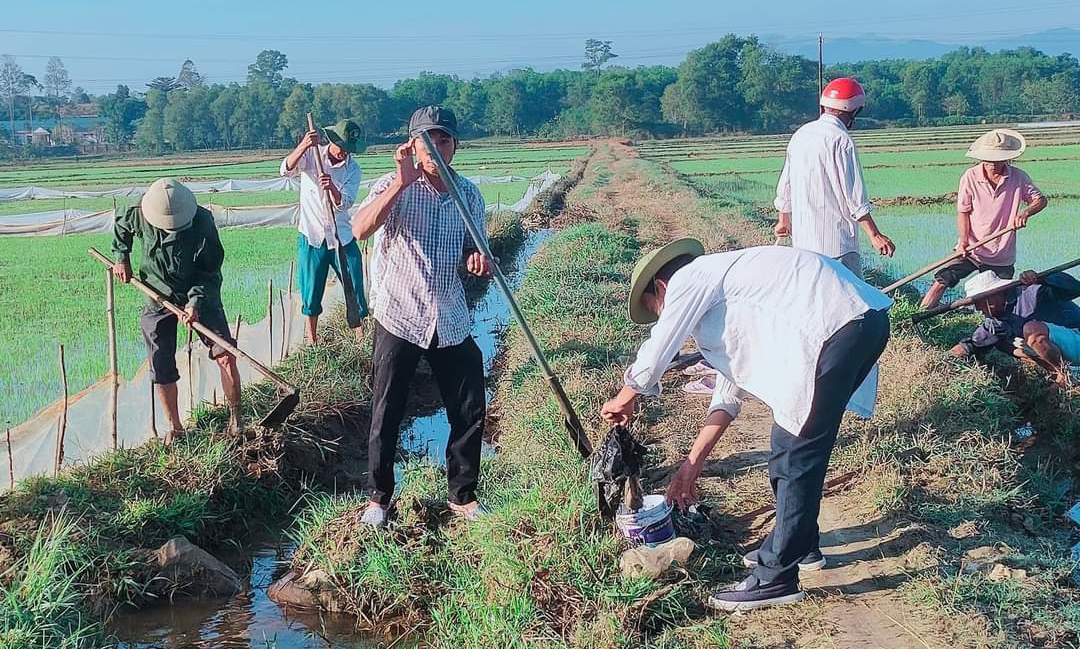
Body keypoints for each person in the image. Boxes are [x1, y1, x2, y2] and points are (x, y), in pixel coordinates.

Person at [601, 239, 892, 611]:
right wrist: (692, 464)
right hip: (855, 325)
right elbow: (729, 394)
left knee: (797, 457)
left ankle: (775, 578)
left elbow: (659, 345)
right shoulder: (726, 296)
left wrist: (627, 395)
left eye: (657, 309)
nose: (665, 316)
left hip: (837, 328)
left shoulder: (691, 278)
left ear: (660, 287)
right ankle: (798, 545)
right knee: (788, 447)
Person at [351, 106, 494, 527]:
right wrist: (400, 182)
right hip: (400, 314)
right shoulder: (392, 185)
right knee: (387, 410)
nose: (436, 147)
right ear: (411, 146)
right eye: (426, 139)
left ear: (454, 147)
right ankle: (379, 498)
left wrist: (477, 259)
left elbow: (477, 247)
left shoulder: (468, 194)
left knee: (469, 409)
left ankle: (463, 495)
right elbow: (360, 229)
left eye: (443, 139)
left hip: (449, 315)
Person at [112, 178, 242, 443]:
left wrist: (194, 303)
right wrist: (121, 257)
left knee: (225, 353)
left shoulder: (202, 221)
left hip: (199, 292)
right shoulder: (138, 213)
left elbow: (210, 271)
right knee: (161, 365)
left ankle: (237, 420)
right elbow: (120, 225)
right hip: (157, 295)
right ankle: (176, 427)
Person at [774, 77, 896, 279]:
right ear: (853, 110)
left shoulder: (801, 134)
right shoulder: (841, 139)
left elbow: (785, 183)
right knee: (848, 302)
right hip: (837, 243)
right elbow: (854, 197)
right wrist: (875, 235)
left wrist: (783, 220)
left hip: (804, 244)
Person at [920, 129, 1047, 309]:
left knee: (998, 303)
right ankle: (916, 317)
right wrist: (963, 242)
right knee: (943, 280)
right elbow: (963, 211)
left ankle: (995, 331)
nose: (993, 164)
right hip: (972, 248)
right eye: (989, 160)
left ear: (1007, 158)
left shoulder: (1018, 177)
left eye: (998, 159)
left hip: (1002, 253)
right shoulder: (970, 177)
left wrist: (1025, 213)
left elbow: (1040, 200)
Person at [281, 118, 367, 344]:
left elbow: (346, 202)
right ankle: (312, 339)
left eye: (350, 150)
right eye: (342, 148)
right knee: (311, 290)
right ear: (333, 141)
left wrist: (333, 190)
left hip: (342, 236)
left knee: (355, 285)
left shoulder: (353, 169)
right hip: (312, 235)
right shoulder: (312, 155)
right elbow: (285, 170)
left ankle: (360, 336)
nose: (345, 154)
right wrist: (303, 145)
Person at [951, 269, 1080, 386]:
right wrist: (947, 358)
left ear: (990, 298)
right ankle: (1058, 372)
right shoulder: (996, 321)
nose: (977, 309)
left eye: (977, 303)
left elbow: (1075, 288)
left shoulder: (1033, 292)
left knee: (1031, 330)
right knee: (1002, 343)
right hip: (1067, 354)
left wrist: (1043, 278)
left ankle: (1064, 376)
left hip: (1076, 338)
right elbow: (974, 343)